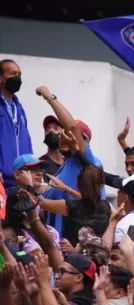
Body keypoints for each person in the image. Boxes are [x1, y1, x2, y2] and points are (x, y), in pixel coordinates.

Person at [36, 86, 105, 236]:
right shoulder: (67, 165)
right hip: (58, 241)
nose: (67, 138)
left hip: (77, 243)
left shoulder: (89, 161)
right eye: (63, 134)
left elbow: (72, 126)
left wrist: (48, 96)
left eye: (73, 135)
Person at [0, 59, 33, 189]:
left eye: (19, 75)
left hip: (21, 182)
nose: (17, 78)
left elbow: (27, 141)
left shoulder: (18, 108)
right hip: (3, 182)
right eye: (13, 73)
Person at [39, 115, 64, 181]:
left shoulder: (69, 163)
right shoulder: (40, 164)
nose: (50, 130)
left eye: (55, 128)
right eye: (47, 129)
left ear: (63, 133)